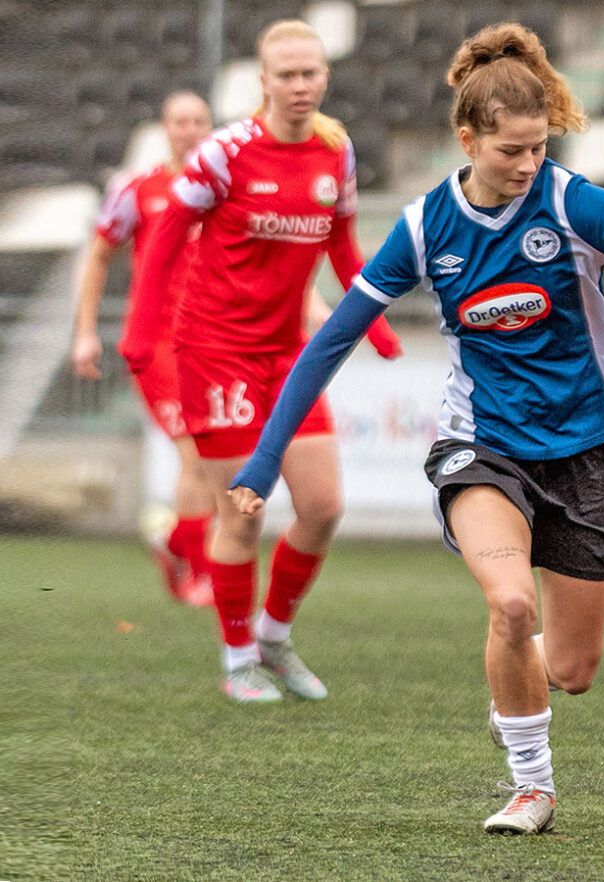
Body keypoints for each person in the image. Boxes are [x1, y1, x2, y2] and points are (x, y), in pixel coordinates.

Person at [226, 22, 604, 835]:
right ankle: (533, 786)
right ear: (467, 139)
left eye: (538, 147)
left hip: (591, 448)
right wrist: (265, 461)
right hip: (482, 447)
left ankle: (514, 700)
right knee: (511, 604)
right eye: (510, 151)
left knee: (572, 668)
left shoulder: (569, 202)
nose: (527, 165)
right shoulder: (426, 229)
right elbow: (331, 341)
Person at [123, 19, 403, 705]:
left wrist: (379, 324)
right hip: (215, 350)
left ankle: (275, 636)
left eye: (311, 73)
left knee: (323, 505)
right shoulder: (226, 153)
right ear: (264, 82)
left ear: (325, 76)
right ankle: (237, 656)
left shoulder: (336, 153)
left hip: (287, 355)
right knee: (243, 511)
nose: (301, 85)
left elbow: (342, 244)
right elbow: (165, 237)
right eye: (287, 75)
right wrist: (139, 330)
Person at [72, 90, 215, 606]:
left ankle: (173, 542)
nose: (190, 128)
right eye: (180, 120)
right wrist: (85, 331)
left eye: (199, 120)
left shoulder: (224, 191)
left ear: (210, 126)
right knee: (197, 456)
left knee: (217, 461)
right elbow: (98, 257)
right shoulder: (138, 189)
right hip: (156, 346)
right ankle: (200, 572)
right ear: (165, 127)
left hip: (212, 343)